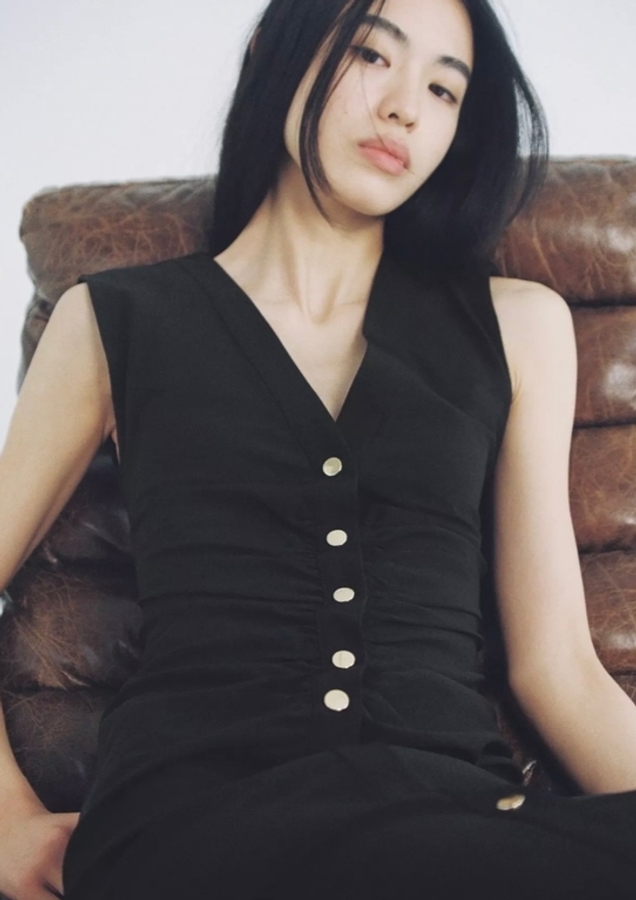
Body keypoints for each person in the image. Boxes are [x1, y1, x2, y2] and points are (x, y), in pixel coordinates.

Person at [1, 0, 636, 897]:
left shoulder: (519, 327)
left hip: (457, 821)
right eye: (372, 54)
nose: (405, 106)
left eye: (444, 90)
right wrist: (7, 821)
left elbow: (557, 669)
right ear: (276, 53)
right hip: (194, 823)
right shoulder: (114, 322)